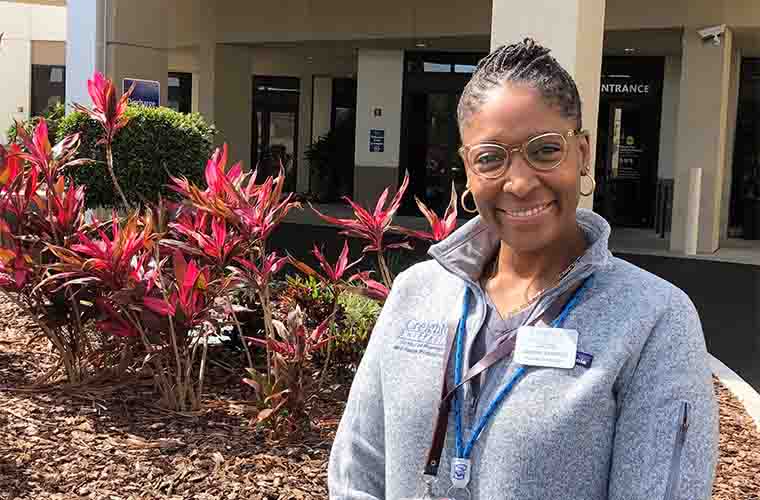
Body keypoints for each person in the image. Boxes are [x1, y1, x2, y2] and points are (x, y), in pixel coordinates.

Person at [328, 38, 718, 500]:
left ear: (583, 154)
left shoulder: (653, 318)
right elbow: (358, 471)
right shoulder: (416, 294)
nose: (519, 182)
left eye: (544, 150)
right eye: (490, 158)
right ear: (468, 171)